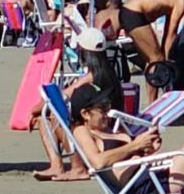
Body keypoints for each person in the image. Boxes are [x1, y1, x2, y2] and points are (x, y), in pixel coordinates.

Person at [70, 83, 184, 194]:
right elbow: (98, 162)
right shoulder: (82, 131)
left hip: (159, 173)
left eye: (107, 106)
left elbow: (132, 155)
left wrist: (148, 148)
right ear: (85, 114)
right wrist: (135, 145)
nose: (107, 112)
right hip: (150, 184)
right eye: (102, 108)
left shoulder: (110, 130)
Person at [31, 28, 120, 181]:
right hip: (110, 124)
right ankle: (56, 166)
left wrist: (33, 111)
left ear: (84, 52)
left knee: (56, 117)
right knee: (48, 117)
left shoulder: (91, 77)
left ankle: (77, 168)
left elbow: (60, 97)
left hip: (99, 130)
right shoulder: (110, 74)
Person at [119, 0, 184, 100]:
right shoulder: (182, 1)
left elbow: (167, 33)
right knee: (156, 59)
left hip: (130, 12)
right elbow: (172, 33)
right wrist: (168, 59)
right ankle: (152, 103)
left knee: (153, 60)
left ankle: (153, 100)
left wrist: (165, 55)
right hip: (134, 13)